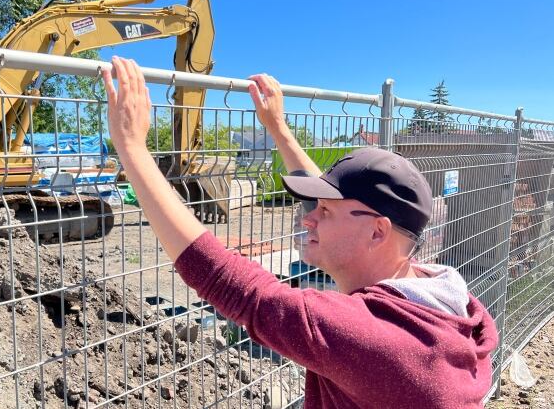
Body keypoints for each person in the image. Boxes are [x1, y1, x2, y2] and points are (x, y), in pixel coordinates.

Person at [101, 56, 498, 408]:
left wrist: (132, 147)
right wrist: (277, 127)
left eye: (324, 211)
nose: (308, 218)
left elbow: (233, 284)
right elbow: (344, 211)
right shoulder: (450, 306)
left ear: (378, 232)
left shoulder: (369, 336)